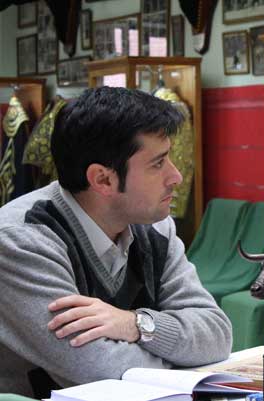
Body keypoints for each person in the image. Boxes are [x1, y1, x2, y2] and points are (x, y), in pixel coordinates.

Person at [0, 87, 233, 397]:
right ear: (103, 179)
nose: (176, 177)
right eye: (158, 164)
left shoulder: (156, 227)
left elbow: (216, 335)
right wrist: (183, 361)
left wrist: (136, 324)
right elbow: (96, 370)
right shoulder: (20, 239)